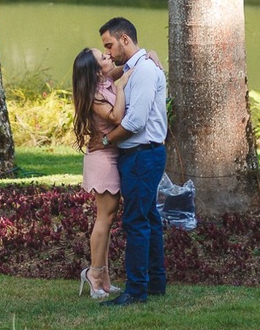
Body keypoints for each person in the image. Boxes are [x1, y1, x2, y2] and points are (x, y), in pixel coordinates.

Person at [98, 17, 168, 306]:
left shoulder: (144, 71)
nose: (109, 52)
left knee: (136, 221)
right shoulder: (133, 68)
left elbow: (136, 121)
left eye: (110, 45)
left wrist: (105, 140)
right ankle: (155, 282)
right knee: (149, 218)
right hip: (143, 155)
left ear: (125, 39)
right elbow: (100, 76)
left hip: (142, 155)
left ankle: (136, 290)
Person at [71, 47, 130, 298]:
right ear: (96, 71)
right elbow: (117, 117)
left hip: (110, 154)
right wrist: (121, 87)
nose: (110, 57)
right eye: (104, 57)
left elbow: (126, 66)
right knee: (104, 218)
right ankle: (94, 274)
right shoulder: (96, 94)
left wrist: (150, 56)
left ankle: (104, 278)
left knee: (108, 218)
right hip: (103, 159)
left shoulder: (106, 80)